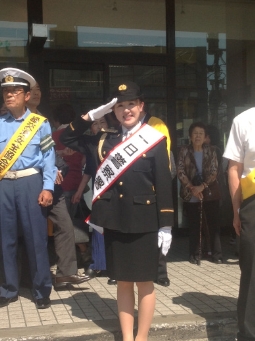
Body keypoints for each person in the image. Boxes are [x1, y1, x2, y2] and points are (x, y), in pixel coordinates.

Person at [60, 81, 174, 341]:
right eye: (119, 106)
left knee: (145, 283)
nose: (126, 110)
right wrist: (95, 114)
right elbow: (67, 137)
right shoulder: (103, 140)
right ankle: (126, 336)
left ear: (141, 106)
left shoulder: (154, 139)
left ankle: (141, 337)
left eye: (130, 104)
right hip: (115, 221)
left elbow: (164, 182)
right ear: (113, 110)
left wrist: (166, 223)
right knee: (123, 282)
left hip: (145, 221)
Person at [0, 67, 56, 309]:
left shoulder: (40, 124)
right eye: (6, 91)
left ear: (27, 96)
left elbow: (49, 157)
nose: (9, 95)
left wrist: (48, 187)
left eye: (15, 91)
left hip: (31, 183)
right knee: (6, 240)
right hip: (4, 184)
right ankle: (8, 289)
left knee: (36, 239)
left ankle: (41, 290)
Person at [27, 83, 89, 290]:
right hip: (29, 183)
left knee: (65, 225)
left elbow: (48, 153)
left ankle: (66, 274)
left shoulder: (43, 122)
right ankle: (31, 277)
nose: (35, 93)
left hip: (55, 185)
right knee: (30, 231)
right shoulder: (10, 120)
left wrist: (56, 167)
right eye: (31, 90)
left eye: (38, 90)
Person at [223, 108, 255, 341]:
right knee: (252, 270)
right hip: (253, 202)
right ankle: (247, 333)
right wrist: (236, 211)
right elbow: (234, 169)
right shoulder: (244, 120)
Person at [177, 122, 223, 264]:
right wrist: (192, 188)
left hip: (208, 192)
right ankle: (195, 254)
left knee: (212, 225)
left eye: (201, 133)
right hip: (191, 193)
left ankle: (217, 254)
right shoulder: (184, 150)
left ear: (205, 137)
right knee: (194, 225)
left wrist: (201, 187)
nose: (198, 136)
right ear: (190, 136)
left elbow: (215, 171)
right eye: (195, 133)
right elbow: (180, 170)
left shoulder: (211, 150)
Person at [51, 103, 91, 265]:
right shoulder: (81, 136)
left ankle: (80, 254)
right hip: (77, 183)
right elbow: (84, 160)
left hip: (60, 185)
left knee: (64, 226)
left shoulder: (54, 136)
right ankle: (83, 253)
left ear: (56, 120)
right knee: (72, 221)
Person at [140, 110, 172, 287]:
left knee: (161, 231)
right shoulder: (124, 127)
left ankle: (160, 272)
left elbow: (163, 156)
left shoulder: (156, 123)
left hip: (154, 185)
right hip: (135, 187)